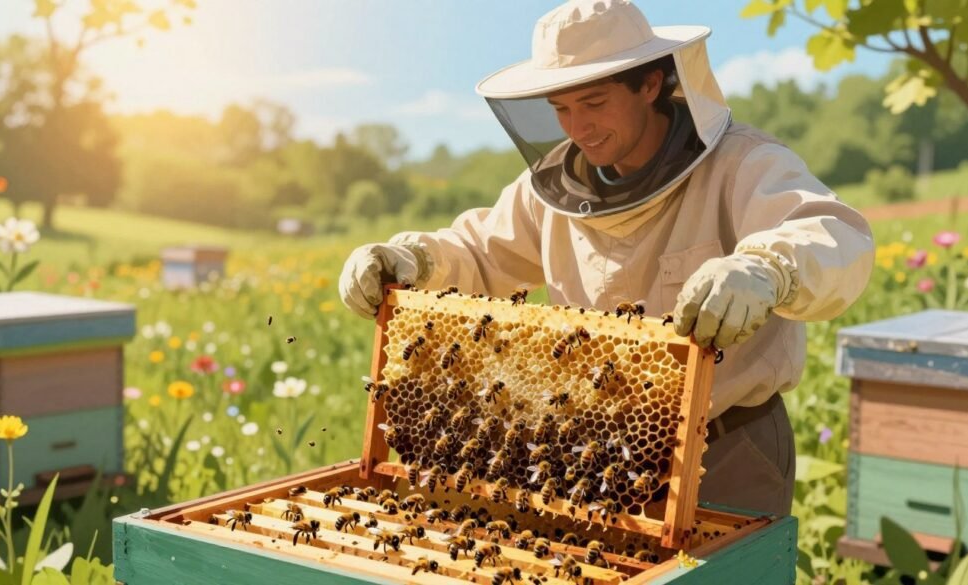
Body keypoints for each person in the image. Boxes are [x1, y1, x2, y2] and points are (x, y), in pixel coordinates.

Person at [339, 0, 874, 516]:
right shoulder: (548, 189)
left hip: (727, 446)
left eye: (593, 103)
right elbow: (480, 253)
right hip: (592, 455)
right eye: (561, 110)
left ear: (649, 83)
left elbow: (833, 232)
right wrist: (414, 258)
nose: (578, 128)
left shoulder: (742, 163)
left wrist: (769, 266)